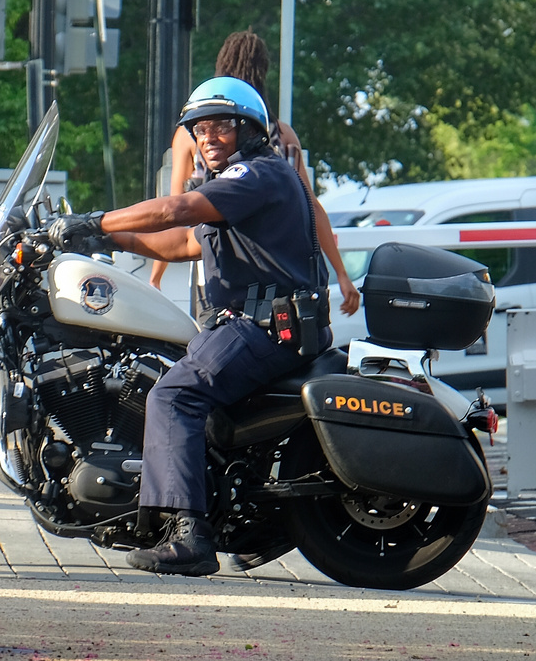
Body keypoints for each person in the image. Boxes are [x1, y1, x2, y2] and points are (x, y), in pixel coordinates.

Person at [50, 77, 361, 577]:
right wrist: (108, 242)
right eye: (200, 128)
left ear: (250, 129)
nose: (208, 137)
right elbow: (181, 244)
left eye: (221, 126)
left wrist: (94, 221)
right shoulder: (246, 190)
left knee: (174, 396)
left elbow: (176, 209)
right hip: (264, 325)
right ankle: (260, 522)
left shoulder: (256, 174)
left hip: (265, 328)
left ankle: (189, 536)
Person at [151, 30, 360, 315]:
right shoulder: (283, 136)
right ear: (262, 73)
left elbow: (174, 209)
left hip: (219, 273)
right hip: (280, 272)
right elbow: (312, 208)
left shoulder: (193, 136)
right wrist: (342, 274)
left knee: (213, 345)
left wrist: (156, 276)